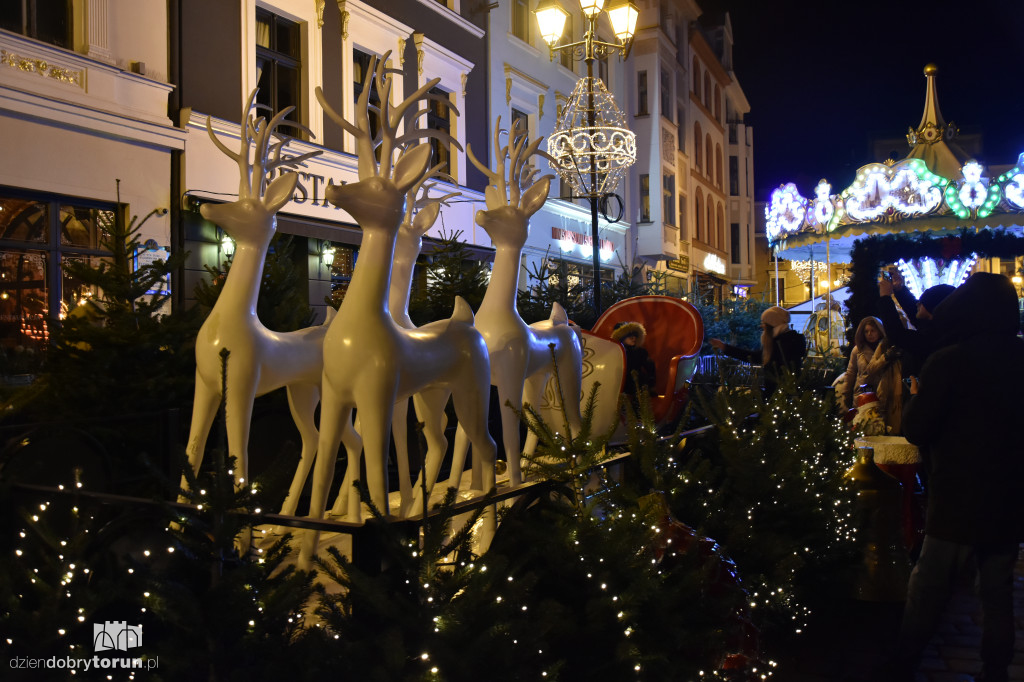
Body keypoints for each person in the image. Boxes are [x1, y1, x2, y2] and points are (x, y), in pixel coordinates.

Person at [889, 272, 1024, 682]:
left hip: (958, 496)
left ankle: (904, 663)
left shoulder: (951, 359)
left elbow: (917, 428)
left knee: (929, 586)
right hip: (1008, 496)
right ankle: (995, 669)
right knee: (998, 592)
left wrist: (915, 398)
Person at [709, 305, 806, 395]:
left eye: (764, 323)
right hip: (778, 394)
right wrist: (725, 347)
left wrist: (725, 347)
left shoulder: (782, 343)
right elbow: (755, 356)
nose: (761, 326)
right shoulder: (781, 341)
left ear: (772, 324)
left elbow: (756, 357)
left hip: (781, 395)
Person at [878, 269, 954, 376]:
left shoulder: (933, 338)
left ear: (933, 309)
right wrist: (899, 289)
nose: (918, 304)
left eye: (922, 303)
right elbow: (914, 311)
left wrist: (885, 298)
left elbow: (896, 334)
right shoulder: (935, 327)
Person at [841, 316, 903, 434]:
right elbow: (851, 373)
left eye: (872, 330)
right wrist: (845, 395)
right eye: (866, 331)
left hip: (882, 394)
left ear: (880, 330)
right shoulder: (857, 350)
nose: (869, 334)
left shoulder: (888, 350)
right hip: (861, 395)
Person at [611, 321, 656, 400]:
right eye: (629, 335)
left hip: (638, 388)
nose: (634, 338)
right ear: (621, 337)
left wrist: (650, 386)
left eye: (635, 335)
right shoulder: (615, 353)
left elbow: (650, 368)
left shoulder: (641, 352)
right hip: (619, 388)